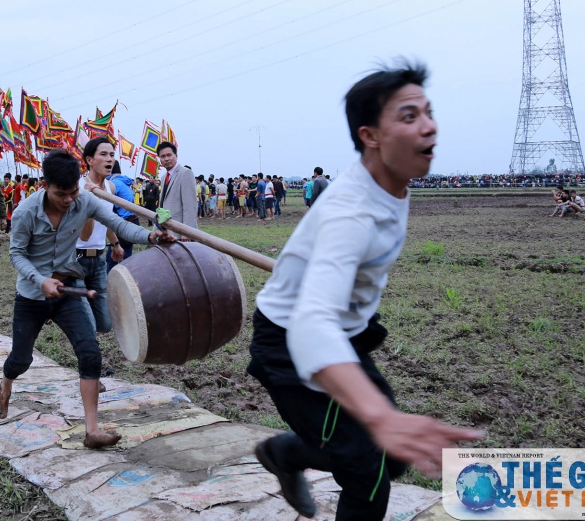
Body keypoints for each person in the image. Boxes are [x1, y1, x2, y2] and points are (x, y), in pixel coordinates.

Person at [247, 62, 480, 519]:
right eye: (409, 116)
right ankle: (292, 453)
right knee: (368, 469)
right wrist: (378, 416)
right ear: (370, 135)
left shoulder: (392, 180)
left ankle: (286, 453)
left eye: (428, 112)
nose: (429, 126)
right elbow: (310, 326)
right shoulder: (350, 214)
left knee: (392, 456)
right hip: (292, 345)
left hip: (346, 335)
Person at [0, 149, 174, 448]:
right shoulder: (25, 212)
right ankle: (5, 385)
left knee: (90, 351)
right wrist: (40, 280)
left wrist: (151, 237)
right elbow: (16, 254)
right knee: (20, 360)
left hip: (68, 289)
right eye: (61, 194)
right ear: (45, 186)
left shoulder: (85, 200)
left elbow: (120, 225)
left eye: (73, 191)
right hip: (31, 297)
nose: (68, 200)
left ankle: (92, 430)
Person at [76, 138, 124, 334]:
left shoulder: (110, 188)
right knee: (86, 323)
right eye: (103, 154)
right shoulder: (78, 188)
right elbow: (84, 235)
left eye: (112, 155)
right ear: (89, 160)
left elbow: (107, 220)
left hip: (99, 259)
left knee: (104, 323)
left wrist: (116, 244)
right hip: (75, 259)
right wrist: (90, 200)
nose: (109, 159)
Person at [106, 160, 139, 272]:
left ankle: (114, 282)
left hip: (123, 222)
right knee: (124, 254)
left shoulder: (113, 183)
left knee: (114, 258)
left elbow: (106, 205)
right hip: (132, 220)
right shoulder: (123, 181)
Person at [158, 141, 198, 231]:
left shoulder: (185, 173)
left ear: (176, 155)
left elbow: (190, 205)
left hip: (181, 231)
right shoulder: (164, 177)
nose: (166, 159)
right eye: (163, 156)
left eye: (169, 155)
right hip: (168, 229)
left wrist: (187, 231)